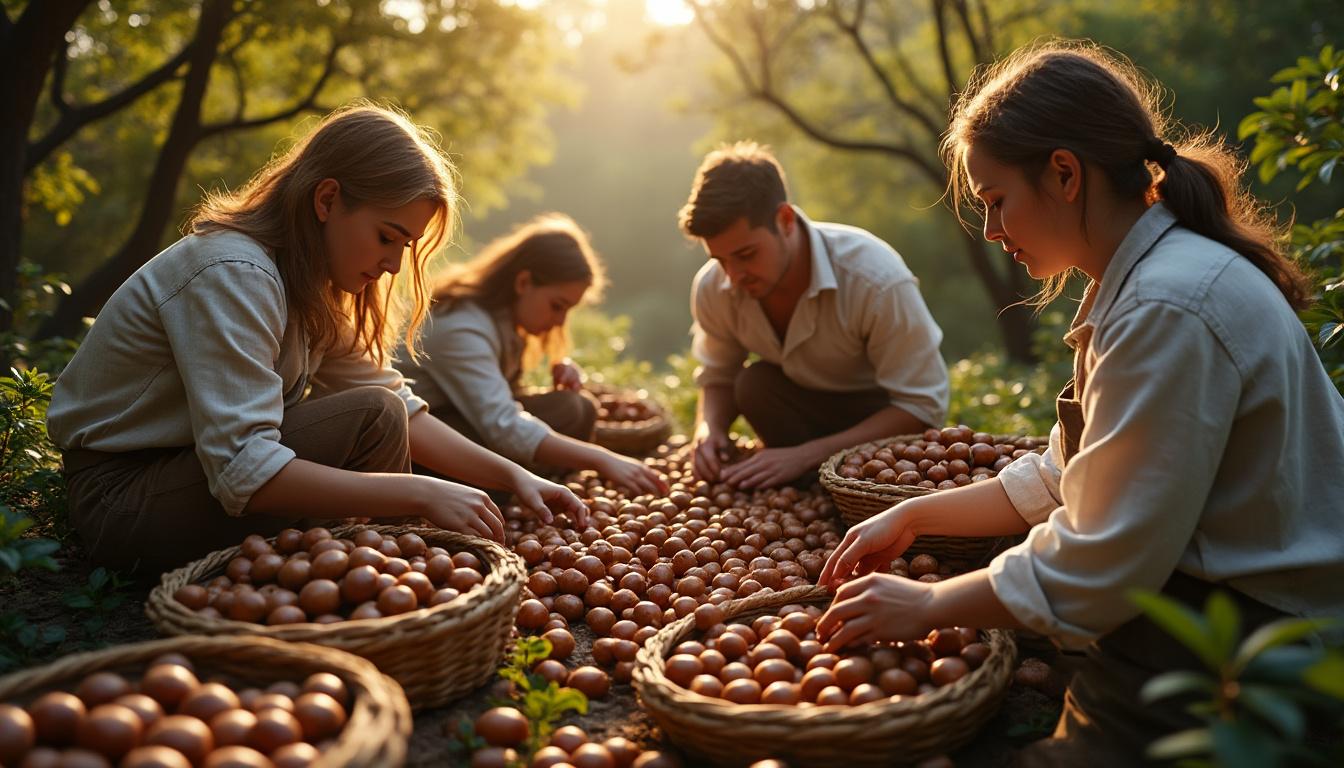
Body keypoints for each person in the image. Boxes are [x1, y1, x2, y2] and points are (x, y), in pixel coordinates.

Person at [816, 42, 1344, 765]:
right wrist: (913, 514)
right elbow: (1065, 477)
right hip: (1201, 595)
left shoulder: (1169, 304)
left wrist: (931, 606)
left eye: (996, 201)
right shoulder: (1138, 284)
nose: (994, 231)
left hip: (1270, 639)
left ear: (1064, 173)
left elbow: (1106, 558)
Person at [47, 104, 587, 574]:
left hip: (187, 472)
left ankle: (357, 567)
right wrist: (421, 492)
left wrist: (516, 477)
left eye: (405, 246)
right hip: (123, 500)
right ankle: (356, 564)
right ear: (327, 199)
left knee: (381, 411)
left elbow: (401, 406)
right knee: (374, 419)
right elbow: (244, 471)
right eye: (385, 237)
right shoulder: (233, 273)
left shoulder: (307, 286)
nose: (392, 263)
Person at [680, 141, 950, 489]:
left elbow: (922, 406)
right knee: (753, 384)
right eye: (720, 260)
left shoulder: (875, 280)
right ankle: (807, 486)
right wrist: (709, 428)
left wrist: (806, 455)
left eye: (746, 254)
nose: (733, 276)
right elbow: (718, 375)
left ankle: (829, 479)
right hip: (801, 409)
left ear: (785, 220)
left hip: (879, 421)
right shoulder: (713, 287)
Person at [395, 213, 666, 496]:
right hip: (416, 444)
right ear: (523, 282)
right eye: (557, 305)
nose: (560, 322)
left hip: (460, 420)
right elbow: (503, 425)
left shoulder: (502, 323)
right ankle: (506, 485)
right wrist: (601, 458)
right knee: (547, 429)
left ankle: (522, 481)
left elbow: (498, 400)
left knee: (575, 408)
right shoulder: (461, 327)